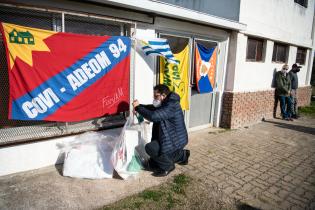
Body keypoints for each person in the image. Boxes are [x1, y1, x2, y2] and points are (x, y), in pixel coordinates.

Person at [132, 84, 190, 177]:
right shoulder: (165, 103)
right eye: (154, 96)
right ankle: (182, 155)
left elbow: (154, 116)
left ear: (163, 95)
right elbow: (152, 108)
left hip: (175, 139)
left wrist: (138, 108)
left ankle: (168, 166)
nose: (154, 98)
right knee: (160, 152)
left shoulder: (172, 105)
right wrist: (139, 106)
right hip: (170, 137)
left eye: (156, 96)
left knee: (151, 148)